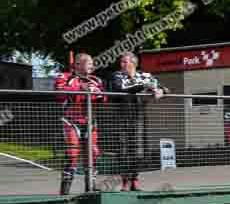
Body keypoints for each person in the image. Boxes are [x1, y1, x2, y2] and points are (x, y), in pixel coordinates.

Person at [110, 52, 169, 191]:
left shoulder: (145, 76)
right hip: (121, 116)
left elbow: (164, 88)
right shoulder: (117, 75)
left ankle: (135, 180)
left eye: (125, 62)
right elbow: (121, 88)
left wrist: (159, 90)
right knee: (122, 150)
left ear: (134, 63)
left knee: (136, 150)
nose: (122, 64)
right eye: (122, 62)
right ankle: (125, 181)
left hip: (138, 117)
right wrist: (144, 86)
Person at [55, 53, 108, 195]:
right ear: (78, 64)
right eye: (89, 63)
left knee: (93, 153)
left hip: (90, 121)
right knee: (72, 154)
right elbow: (59, 92)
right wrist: (80, 88)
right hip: (71, 120)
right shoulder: (65, 77)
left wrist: (97, 93)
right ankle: (65, 191)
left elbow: (104, 98)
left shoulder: (96, 79)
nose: (92, 66)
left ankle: (90, 186)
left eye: (92, 63)